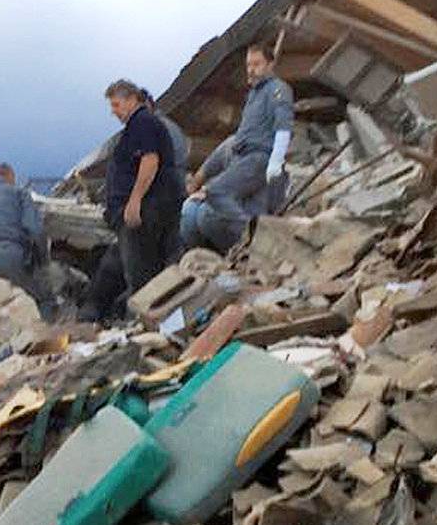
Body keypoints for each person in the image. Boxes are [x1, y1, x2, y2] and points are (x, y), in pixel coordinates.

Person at [184, 42, 294, 253]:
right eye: (248, 65)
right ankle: (235, 244)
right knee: (199, 211)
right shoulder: (254, 95)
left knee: (215, 192)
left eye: (257, 64)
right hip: (242, 158)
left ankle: (255, 238)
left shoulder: (278, 90)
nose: (251, 70)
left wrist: (276, 160)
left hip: (259, 157)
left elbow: (283, 128)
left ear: (270, 64)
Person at [85, 96, 189, 320]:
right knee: (136, 268)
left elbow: (150, 165)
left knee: (138, 274)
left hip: (146, 212)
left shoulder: (149, 127)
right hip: (159, 210)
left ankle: (139, 324)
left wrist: (133, 202)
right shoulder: (165, 129)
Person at [101, 79, 185, 300]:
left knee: (140, 271)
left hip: (149, 208)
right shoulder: (138, 125)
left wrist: (134, 200)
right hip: (153, 206)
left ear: (131, 100)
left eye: (116, 105)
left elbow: (150, 160)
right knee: (149, 267)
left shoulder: (143, 122)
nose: (114, 112)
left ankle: (149, 317)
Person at [0, 163, 51, 311]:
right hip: (11, 256)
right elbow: (35, 229)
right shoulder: (19, 193)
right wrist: (42, 261)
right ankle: (47, 329)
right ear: (9, 175)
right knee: (42, 299)